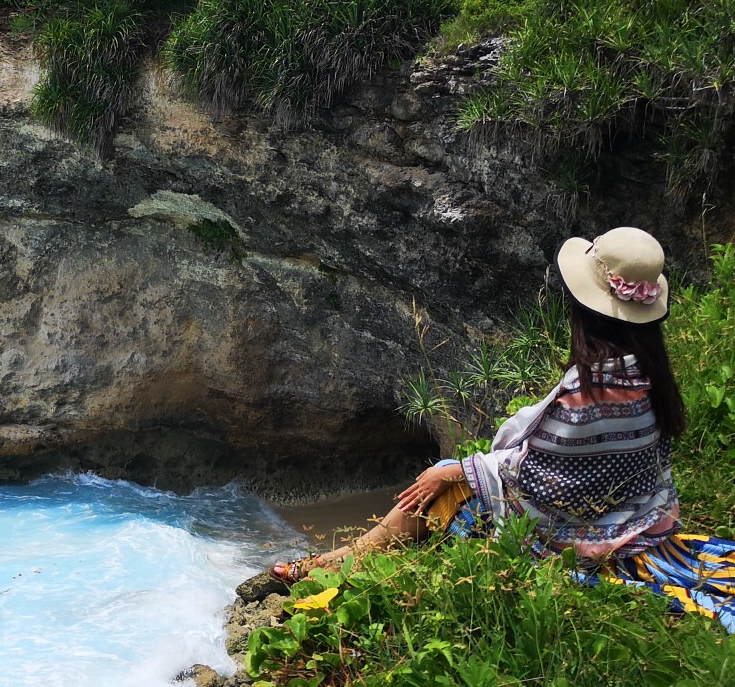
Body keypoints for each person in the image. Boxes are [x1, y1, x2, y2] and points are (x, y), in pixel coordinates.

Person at [277, 226, 684, 577]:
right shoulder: (651, 375)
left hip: (579, 533)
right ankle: (339, 559)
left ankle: (335, 564)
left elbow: (537, 475)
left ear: (587, 309)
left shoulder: (587, 387)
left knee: (439, 482)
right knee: (451, 475)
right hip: (638, 518)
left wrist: (460, 471)